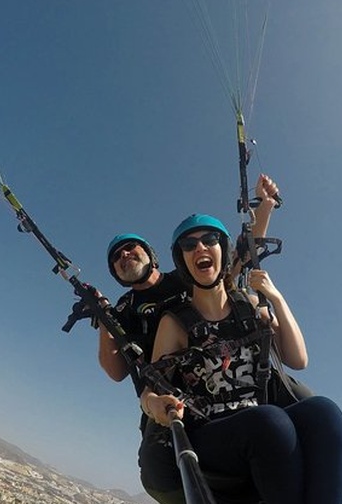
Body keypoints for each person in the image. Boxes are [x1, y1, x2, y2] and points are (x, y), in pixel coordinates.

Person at [99, 176, 298, 504]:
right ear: (115, 274)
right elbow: (116, 371)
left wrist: (265, 207)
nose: (124, 255)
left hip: (229, 375)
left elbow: (237, 262)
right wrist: (102, 322)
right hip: (170, 397)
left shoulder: (187, 276)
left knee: (308, 405)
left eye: (130, 248)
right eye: (116, 257)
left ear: (152, 254)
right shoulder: (123, 311)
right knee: (155, 467)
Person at [140, 213, 342, 504]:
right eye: (189, 245)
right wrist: (156, 405)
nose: (200, 248)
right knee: (269, 422)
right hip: (211, 431)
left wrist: (275, 298)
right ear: (182, 259)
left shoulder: (249, 306)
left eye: (210, 239)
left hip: (262, 419)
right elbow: (151, 390)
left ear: (222, 249)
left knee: (325, 413)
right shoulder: (175, 322)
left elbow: (297, 359)